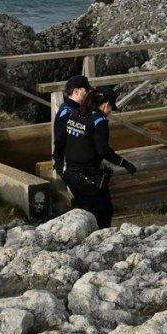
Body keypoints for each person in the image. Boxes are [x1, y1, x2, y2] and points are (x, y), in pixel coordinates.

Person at [53, 76, 137, 229]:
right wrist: (124, 163)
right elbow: (102, 149)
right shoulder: (97, 120)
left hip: (71, 171)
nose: (110, 111)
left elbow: (67, 140)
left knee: (85, 210)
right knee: (104, 211)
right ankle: (100, 238)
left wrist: (61, 165)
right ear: (106, 105)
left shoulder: (76, 114)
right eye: (111, 107)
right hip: (85, 174)